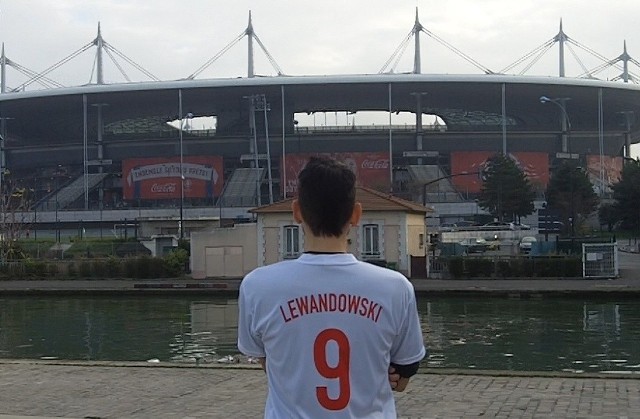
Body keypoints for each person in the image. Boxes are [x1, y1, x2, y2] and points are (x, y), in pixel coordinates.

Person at [238, 156, 426, 418]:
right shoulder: (396, 288)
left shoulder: (257, 286)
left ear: (296, 212)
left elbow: (266, 360)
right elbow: (404, 373)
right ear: (356, 214)